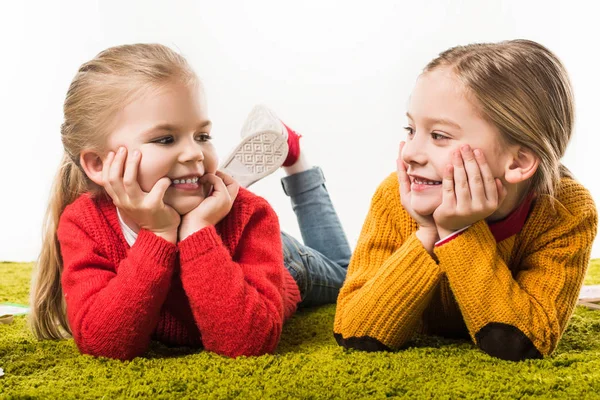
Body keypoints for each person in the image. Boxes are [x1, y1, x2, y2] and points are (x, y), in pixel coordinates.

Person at [30, 43, 350, 360]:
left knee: (348, 277)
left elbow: (247, 342)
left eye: (203, 136)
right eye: (166, 139)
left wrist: (197, 231)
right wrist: (158, 235)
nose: (196, 153)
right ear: (98, 165)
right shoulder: (84, 223)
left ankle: (295, 159)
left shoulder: (251, 214)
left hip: (283, 265)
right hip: (222, 244)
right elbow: (104, 343)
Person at [333, 39, 598, 361]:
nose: (411, 153)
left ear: (517, 162)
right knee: (318, 268)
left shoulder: (567, 210)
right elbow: (355, 332)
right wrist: (427, 231)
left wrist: (459, 231)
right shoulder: (397, 195)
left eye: (439, 136)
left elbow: (522, 342)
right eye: (411, 129)